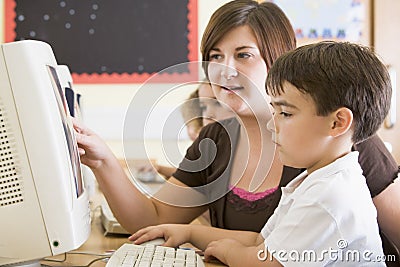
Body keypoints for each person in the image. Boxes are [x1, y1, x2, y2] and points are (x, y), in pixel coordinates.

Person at [73, 0, 400, 261]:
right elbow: (152, 221)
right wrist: (104, 162)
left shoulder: (343, 141)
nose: (223, 70)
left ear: (279, 59)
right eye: (215, 56)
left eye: (243, 55)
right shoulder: (215, 139)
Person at [130, 41, 389, 266]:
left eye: (285, 114)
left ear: (337, 122)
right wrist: (188, 233)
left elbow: (266, 263)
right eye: (274, 111)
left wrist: (229, 252)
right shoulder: (315, 182)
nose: (271, 123)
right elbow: (261, 242)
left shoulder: (330, 196)